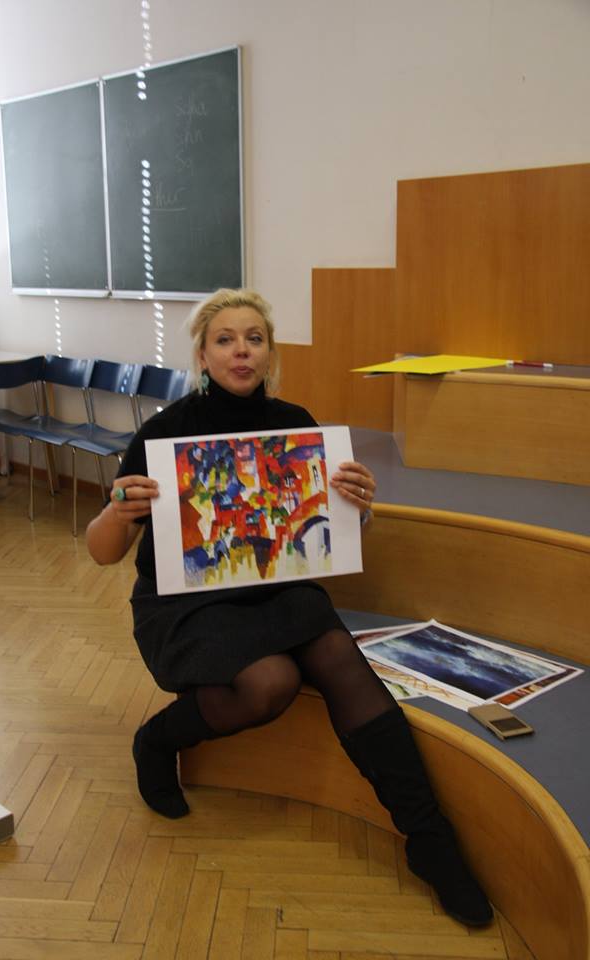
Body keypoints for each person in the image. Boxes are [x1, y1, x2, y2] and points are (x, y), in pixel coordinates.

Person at [86, 288, 492, 928]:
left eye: (254, 338)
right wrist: (117, 510)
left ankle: (428, 838)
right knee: (270, 681)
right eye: (225, 339)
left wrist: (358, 507)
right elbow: (103, 552)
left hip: (274, 586)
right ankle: (156, 740)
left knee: (337, 654)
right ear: (202, 354)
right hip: (184, 600)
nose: (241, 350)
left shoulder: (295, 422)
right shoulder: (164, 433)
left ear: (269, 352)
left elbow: (328, 534)